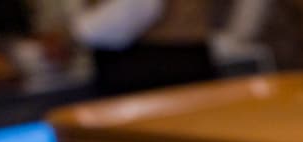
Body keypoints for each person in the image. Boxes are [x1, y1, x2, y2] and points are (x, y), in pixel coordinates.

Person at [62, 0, 272, 95]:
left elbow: (140, 8)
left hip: (149, 67)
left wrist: (74, 32)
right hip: (183, 59)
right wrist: (237, 35)